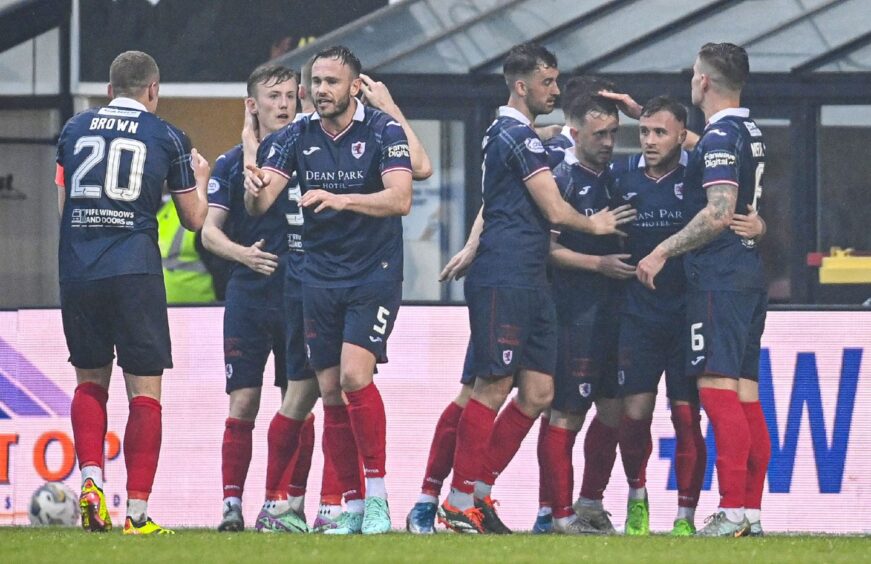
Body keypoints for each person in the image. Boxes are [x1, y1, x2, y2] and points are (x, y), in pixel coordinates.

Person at [437, 42, 633, 534]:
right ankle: (459, 502)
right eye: (548, 82)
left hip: (532, 278)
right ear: (522, 86)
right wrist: (597, 223)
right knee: (492, 385)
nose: (555, 89)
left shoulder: (524, 135)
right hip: (506, 273)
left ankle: (478, 492)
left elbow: (548, 147)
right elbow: (555, 210)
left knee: (540, 392)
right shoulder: (512, 136)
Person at [244, 45, 421, 535]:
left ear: (354, 86)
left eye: (331, 82)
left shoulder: (383, 129)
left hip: (374, 272)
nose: (321, 90)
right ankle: (353, 505)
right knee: (328, 391)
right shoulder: (297, 134)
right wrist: (252, 180)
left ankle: (380, 497)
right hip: (317, 277)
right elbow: (261, 203)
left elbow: (402, 197)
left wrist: (341, 199)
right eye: (316, 82)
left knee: (353, 375)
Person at [55, 50, 209, 535]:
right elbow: (194, 220)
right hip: (135, 272)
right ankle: (137, 516)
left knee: (89, 381)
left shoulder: (74, 130)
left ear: (108, 90)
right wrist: (200, 179)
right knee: (144, 390)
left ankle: (91, 480)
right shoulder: (168, 136)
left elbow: (64, 207)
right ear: (153, 91)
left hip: (78, 270)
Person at [637, 43, 770, 537]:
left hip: (718, 277)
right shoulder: (748, 130)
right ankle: (750, 512)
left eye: (694, 74)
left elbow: (718, 211)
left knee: (716, 393)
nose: (692, 81)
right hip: (747, 275)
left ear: (704, 83)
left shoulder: (718, 137)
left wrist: (663, 250)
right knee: (745, 397)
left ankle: (731, 509)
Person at [202, 64, 319, 533]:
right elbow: (209, 233)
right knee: (244, 401)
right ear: (253, 105)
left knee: (301, 400)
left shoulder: (314, 155)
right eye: (273, 96)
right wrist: (241, 255)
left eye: (291, 94)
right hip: (250, 293)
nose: (284, 103)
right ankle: (232, 505)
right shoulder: (232, 163)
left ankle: (291, 504)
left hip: (302, 291)